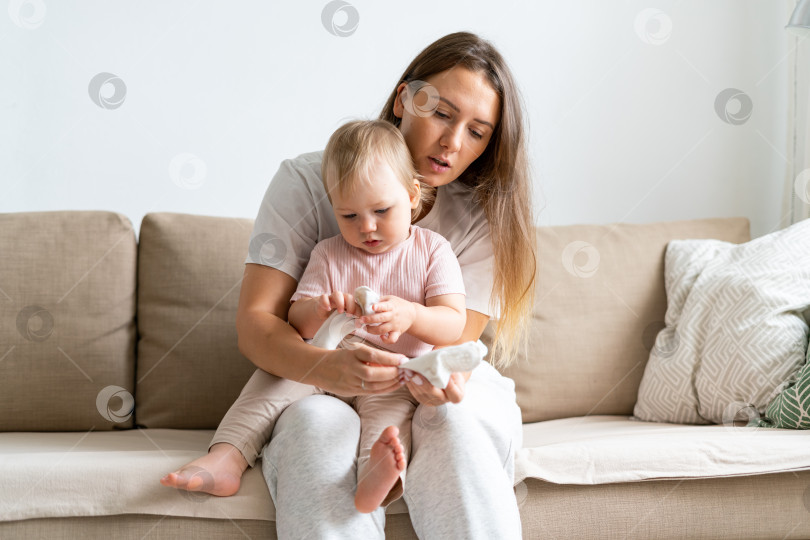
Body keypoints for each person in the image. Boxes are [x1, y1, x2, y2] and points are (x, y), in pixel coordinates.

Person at [162, 31, 537, 539]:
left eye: (477, 131)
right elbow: (258, 326)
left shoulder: (479, 219)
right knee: (317, 426)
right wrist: (327, 365)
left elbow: (453, 337)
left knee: (451, 422)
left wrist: (435, 378)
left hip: (428, 370)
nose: (453, 143)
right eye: (443, 114)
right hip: (322, 366)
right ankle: (238, 455)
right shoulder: (306, 181)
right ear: (405, 99)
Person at [260, 118, 470, 512]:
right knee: (269, 386)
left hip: (390, 373)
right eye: (349, 216)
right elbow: (296, 323)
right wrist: (318, 310)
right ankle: (230, 449)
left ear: (412, 195)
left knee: (389, 424)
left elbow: (453, 323)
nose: (367, 227)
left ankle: (375, 479)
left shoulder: (433, 251)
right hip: (329, 369)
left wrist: (410, 315)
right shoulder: (328, 253)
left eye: (380, 210)